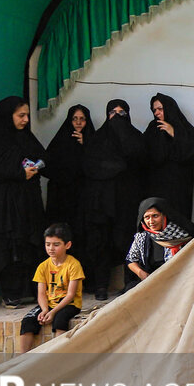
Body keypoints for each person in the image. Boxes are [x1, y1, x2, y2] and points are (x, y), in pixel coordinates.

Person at [0, 96, 47, 306]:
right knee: (9, 246)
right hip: (5, 206)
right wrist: (19, 174)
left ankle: (31, 289)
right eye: (21, 115)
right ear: (7, 116)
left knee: (30, 243)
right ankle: (11, 292)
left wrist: (35, 168)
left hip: (28, 202)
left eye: (27, 115)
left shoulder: (25, 138)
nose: (26, 120)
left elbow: (43, 157)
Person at [80, 99, 145, 301]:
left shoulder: (135, 138)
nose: (116, 118)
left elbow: (139, 160)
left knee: (127, 242)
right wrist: (117, 166)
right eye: (112, 114)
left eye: (122, 113)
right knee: (100, 244)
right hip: (101, 204)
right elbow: (89, 167)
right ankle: (101, 286)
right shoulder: (96, 140)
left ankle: (129, 284)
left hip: (126, 203)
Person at [18, 223, 85, 354]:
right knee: (28, 321)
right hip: (48, 303)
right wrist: (44, 310)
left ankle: (57, 357)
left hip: (68, 303)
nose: (51, 248)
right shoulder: (43, 266)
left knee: (60, 320)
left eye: (56, 244)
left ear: (67, 245)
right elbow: (41, 293)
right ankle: (21, 358)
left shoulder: (73, 265)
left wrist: (53, 312)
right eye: (48, 244)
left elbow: (71, 295)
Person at [44, 105, 93, 274]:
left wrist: (85, 146)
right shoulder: (61, 140)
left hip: (83, 199)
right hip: (61, 198)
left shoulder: (92, 140)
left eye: (82, 119)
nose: (78, 123)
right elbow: (48, 165)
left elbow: (96, 167)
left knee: (82, 235)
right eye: (75, 119)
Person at [143, 93, 194, 219]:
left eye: (160, 108)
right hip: (156, 185)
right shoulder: (152, 129)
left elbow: (193, 151)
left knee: (177, 219)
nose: (157, 113)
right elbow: (144, 155)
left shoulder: (185, 129)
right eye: (154, 110)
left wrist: (174, 133)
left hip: (178, 187)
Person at [126, 197, 194, 286]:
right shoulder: (142, 237)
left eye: (155, 216)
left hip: (179, 282)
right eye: (147, 217)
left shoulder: (183, 235)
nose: (151, 221)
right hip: (152, 282)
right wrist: (141, 273)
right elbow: (131, 259)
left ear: (164, 216)